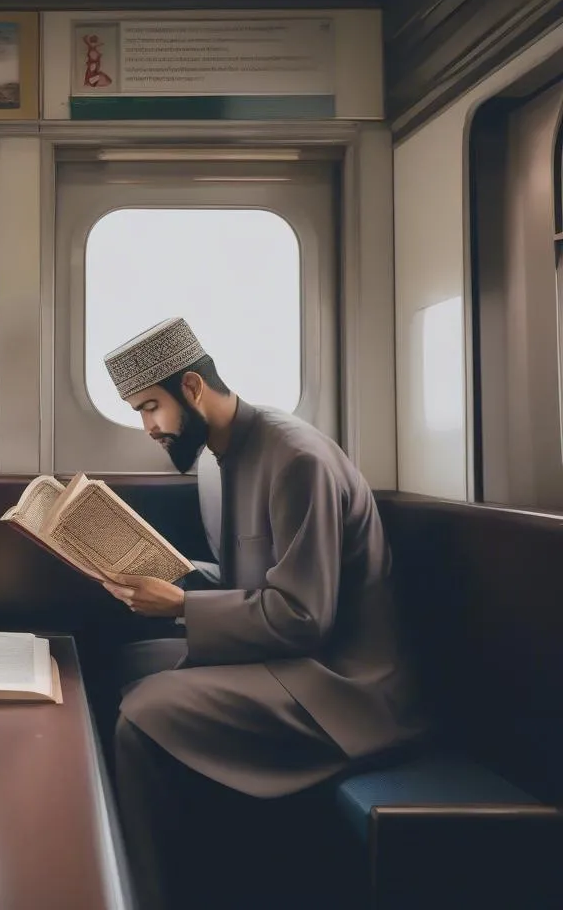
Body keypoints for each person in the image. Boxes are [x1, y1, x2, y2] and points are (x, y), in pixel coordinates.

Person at [99, 317, 428, 910]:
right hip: (291, 657)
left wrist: (179, 603)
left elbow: (305, 616)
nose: (147, 427)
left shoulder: (296, 458)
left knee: (144, 713)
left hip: (342, 684)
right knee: (129, 661)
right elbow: (257, 583)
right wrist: (170, 577)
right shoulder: (225, 456)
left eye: (150, 408)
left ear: (192, 389)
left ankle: (147, 896)